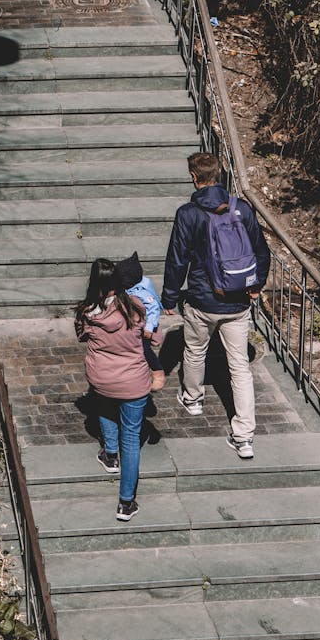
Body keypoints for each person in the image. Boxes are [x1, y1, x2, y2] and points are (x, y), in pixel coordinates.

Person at [161, 151, 270, 459]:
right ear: (219, 175)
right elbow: (261, 252)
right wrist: (255, 285)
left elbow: (177, 258)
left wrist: (169, 297)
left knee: (195, 350)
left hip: (201, 299)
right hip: (237, 302)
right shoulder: (242, 209)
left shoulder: (188, 213)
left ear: (194, 178)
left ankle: (194, 399)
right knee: (240, 367)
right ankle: (244, 435)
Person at [75, 258, 158, 521]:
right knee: (131, 439)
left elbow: (82, 337)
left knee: (104, 406)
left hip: (102, 378)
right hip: (134, 382)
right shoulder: (136, 308)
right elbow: (150, 336)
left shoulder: (87, 312)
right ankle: (126, 502)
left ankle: (110, 454)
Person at [116, 251, 165, 391]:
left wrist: (149, 328)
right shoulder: (129, 287)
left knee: (145, 350)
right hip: (132, 325)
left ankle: (157, 371)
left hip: (144, 329)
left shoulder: (142, 291)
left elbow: (154, 308)